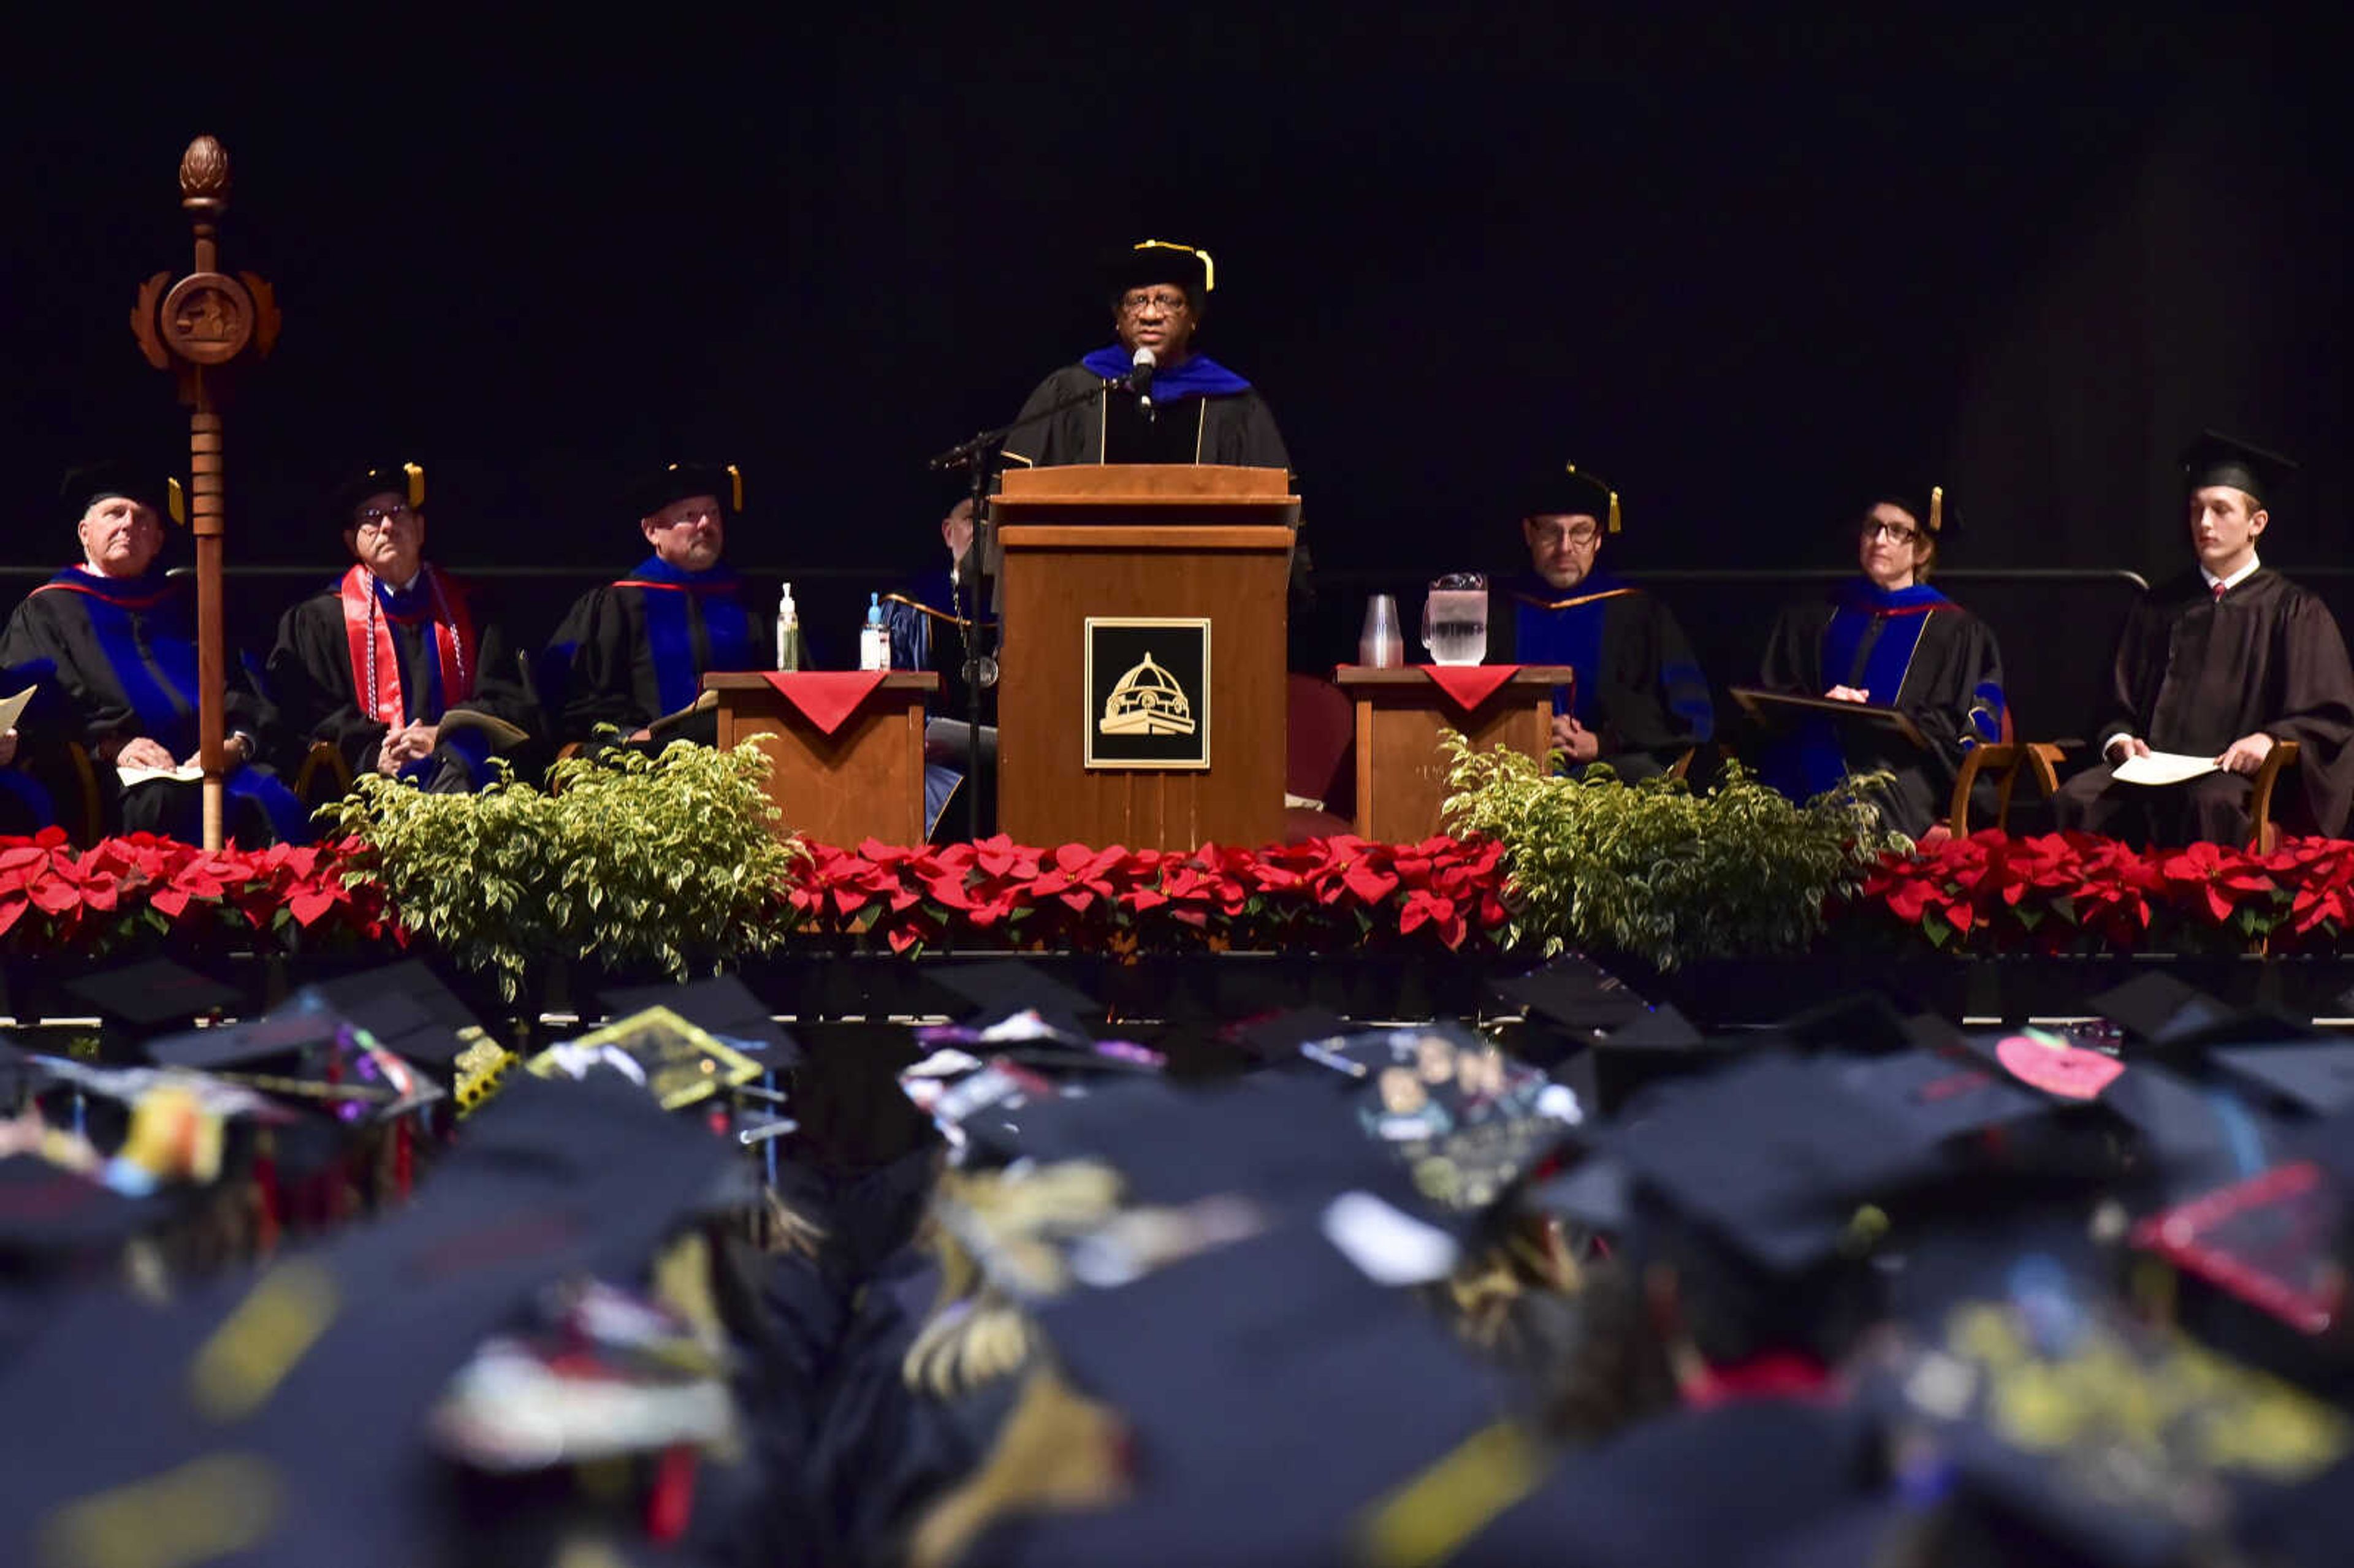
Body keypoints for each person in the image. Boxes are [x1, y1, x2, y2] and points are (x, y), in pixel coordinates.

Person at [2052, 433, 2354, 846]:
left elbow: (2327, 716)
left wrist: (2269, 741)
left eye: (2220, 510)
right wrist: (2121, 742)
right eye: (2197, 511)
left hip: (2230, 779)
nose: (2204, 524)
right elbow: (2114, 705)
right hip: (2148, 771)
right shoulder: (2158, 606)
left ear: (2256, 524)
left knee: (2207, 804)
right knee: (2076, 799)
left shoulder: (2294, 611)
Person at [996, 240, 1312, 617]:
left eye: (1167, 301)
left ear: (1193, 316)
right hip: (1080, 600)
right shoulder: (1072, 394)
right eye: (1137, 301)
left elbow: (1274, 515)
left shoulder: (1233, 405)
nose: (1150, 314)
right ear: (1118, 316)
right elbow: (1018, 499)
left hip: (1208, 604)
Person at [0, 462, 307, 843]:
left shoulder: (192, 607)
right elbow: (40, 713)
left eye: (142, 518)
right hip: (114, 776)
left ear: (158, 541)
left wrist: (236, 743)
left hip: (211, 764)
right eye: (115, 514)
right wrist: (112, 745)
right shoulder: (48, 611)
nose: (129, 524)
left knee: (278, 803)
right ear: (84, 533)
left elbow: (247, 690)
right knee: (163, 801)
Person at [264, 462, 539, 796]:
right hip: (367, 785)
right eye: (371, 516)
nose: (387, 526)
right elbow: (309, 715)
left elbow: (509, 700)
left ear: (421, 529)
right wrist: (375, 754)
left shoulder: (473, 611)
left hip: (460, 770)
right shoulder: (317, 621)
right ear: (352, 543)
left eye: (398, 511)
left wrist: (443, 732)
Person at [1753, 487, 2006, 837]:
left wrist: (1880, 720)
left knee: (1869, 786)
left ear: (1922, 550)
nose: (1879, 540)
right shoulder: (1815, 618)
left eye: (1896, 531)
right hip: (1813, 750)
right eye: (1872, 528)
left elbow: (1955, 723)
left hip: (1901, 768)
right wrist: (1821, 706)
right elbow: (1772, 693)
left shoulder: (1956, 631)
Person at [1486, 463, 1713, 781]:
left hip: (1611, 774)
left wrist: (1605, 741)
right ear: (1529, 534)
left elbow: (1690, 716)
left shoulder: (1641, 613)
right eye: (1551, 532)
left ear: (1598, 538)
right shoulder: (1494, 614)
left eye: (1580, 532)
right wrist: (1529, 732)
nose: (1565, 548)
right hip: (1510, 771)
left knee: (1642, 774)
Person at [543, 462, 774, 748]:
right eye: (690, 515)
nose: (706, 524)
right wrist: (626, 734)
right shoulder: (618, 605)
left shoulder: (751, 600)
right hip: (650, 756)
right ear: (652, 532)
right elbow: (584, 697)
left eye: (713, 513)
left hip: (744, 752)